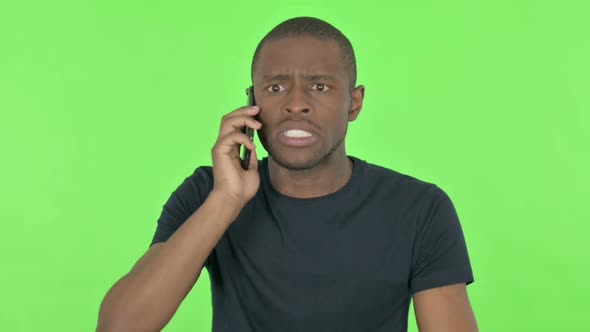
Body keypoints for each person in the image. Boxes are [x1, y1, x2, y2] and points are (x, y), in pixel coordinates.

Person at [97, 16, 478, 332]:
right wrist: (226, 200)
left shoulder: (418, 208)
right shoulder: (207, 192)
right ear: (252, 102)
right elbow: (120, 327)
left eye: (320, 86)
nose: (296, 104)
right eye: (276, 87)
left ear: (354, 103)